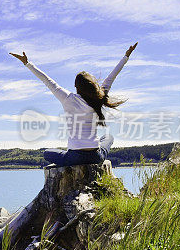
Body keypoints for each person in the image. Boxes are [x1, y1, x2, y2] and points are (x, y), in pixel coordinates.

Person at [10, 43, 138, 167]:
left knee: (46, 153)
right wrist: (126, 56)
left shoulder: (68, 98)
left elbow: (47, 81)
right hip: (95, 156)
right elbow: (112, 76)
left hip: (74, 157)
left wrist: (27, 63)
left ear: (76, 86)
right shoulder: (98, 97)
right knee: (108, 137)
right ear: (92, 86)